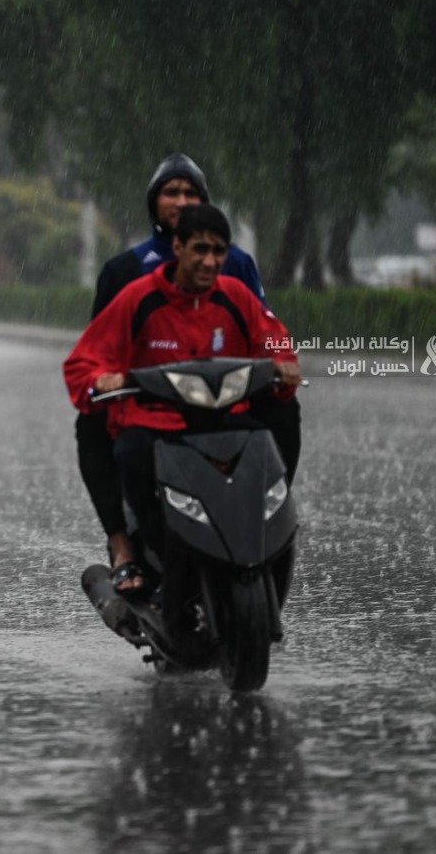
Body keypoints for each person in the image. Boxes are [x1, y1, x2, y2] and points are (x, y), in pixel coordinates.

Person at [76, 154, 297, 593]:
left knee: (285, 413)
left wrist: (281, 361)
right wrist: (105, 377)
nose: (180, 201)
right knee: (93, 423)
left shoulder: (236, 267)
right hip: (150, 403)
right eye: (170, 192)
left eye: (190, 193)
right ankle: (124, 546)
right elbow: (99, 346)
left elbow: (268, 327)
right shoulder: (124, 273)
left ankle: (261, 516)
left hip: (225, 399)